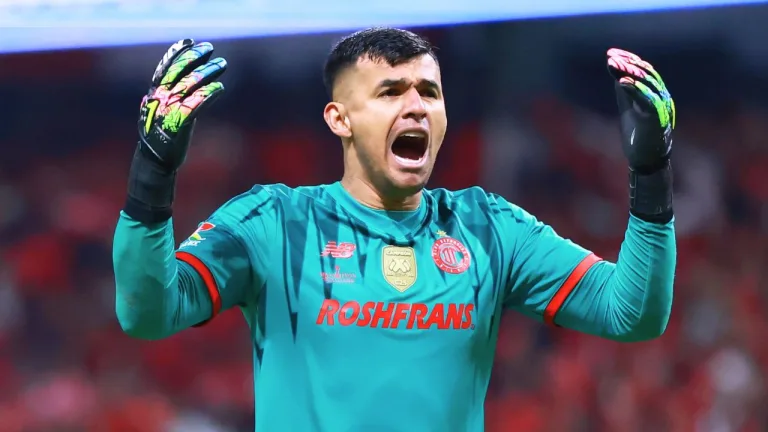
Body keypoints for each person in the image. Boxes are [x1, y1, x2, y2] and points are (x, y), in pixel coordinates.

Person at [113, 28, 676, 431]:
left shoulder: (489, 227)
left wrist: (651, 176)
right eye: (390, 92)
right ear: (340, 119)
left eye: (429, 92)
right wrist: (152, 173)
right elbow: (148, 313)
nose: (416, 107)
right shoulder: (275, 222)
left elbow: (631, 313)